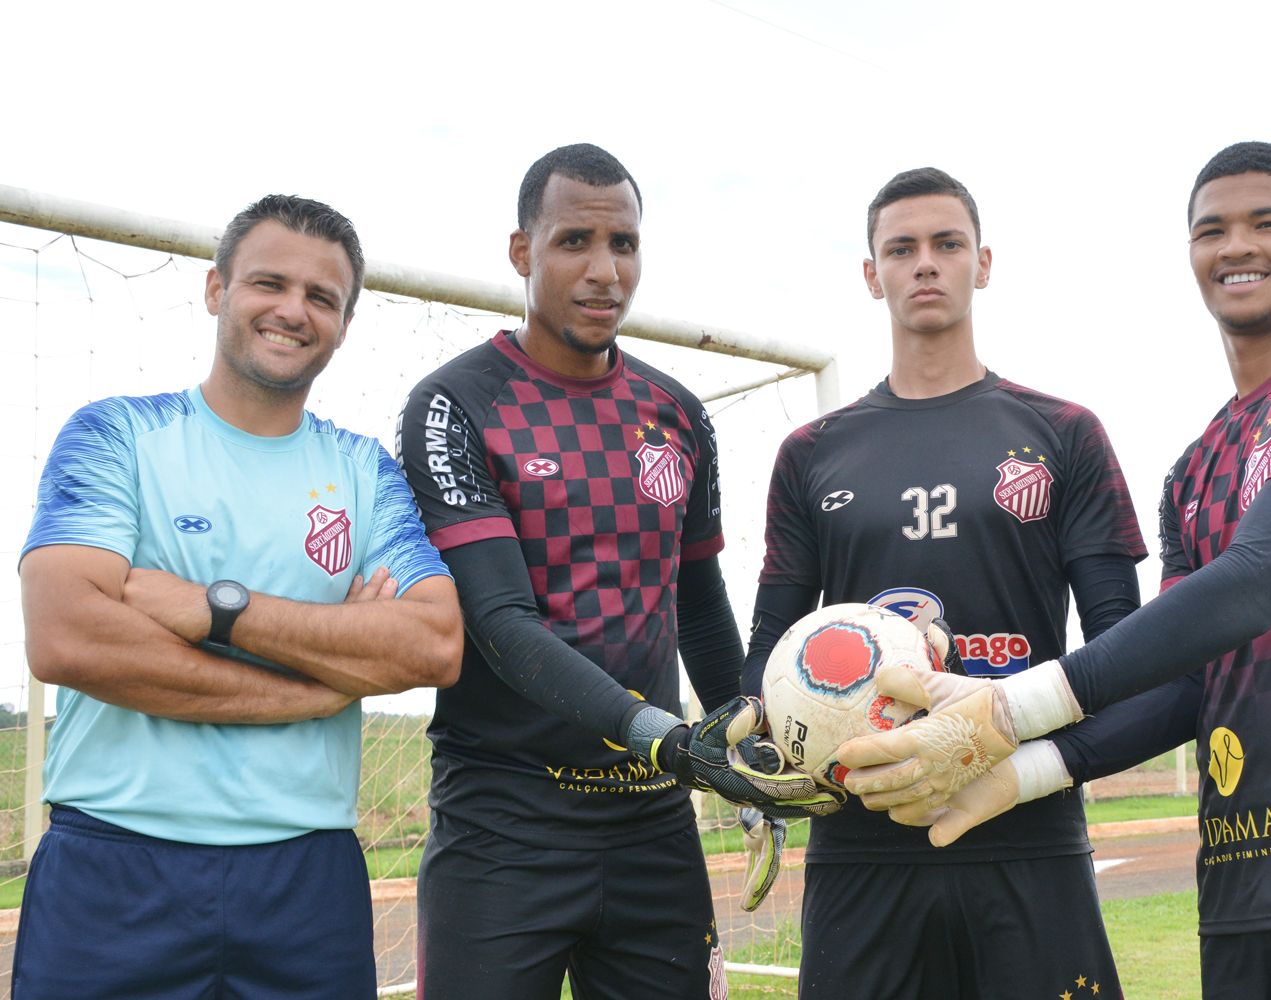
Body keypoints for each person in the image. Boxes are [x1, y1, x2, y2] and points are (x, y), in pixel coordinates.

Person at [841, 142, 1271, 999]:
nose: (1237, 247)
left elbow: (1258, 579)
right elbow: (1186, 686)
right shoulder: (1193, 469)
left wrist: (1010, 707)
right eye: (1211, 230)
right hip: (1241, 885)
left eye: (1267, 223)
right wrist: (1021, 773)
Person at [397, 143, 835, 1000]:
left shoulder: (676, 414)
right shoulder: (456, 404)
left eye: (623, 244)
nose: (604, 272)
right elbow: (500, 624)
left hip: (651, 830)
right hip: (504, 828)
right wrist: (670, 740)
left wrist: (754, 750)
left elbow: (701, 613)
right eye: (574, 243)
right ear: (522, 253)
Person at [16, 194, 464, 997]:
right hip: (114, 865)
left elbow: (432, 643)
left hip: (306, 876)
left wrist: (216, 609)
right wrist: (317, 686)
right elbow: (68, 638)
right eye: (269, 283)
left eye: (322, 297)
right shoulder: (114, 435)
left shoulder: (364, 471)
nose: (293, 310)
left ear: (344, 323)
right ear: (217, 289)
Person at [741, 166, 1147, 999]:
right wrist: (761, 759)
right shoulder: (813, 452)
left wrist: (1042, 753)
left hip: (1026, 834)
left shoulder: (1065, 435)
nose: (925, 263)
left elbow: (1124, 653)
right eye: (902, 248)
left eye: (947, 244)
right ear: (872, 274)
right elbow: (768, 651)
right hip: (861, 846)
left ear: (983, 264)